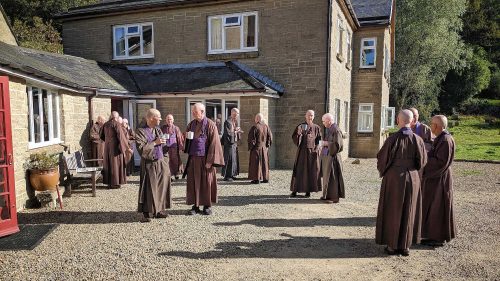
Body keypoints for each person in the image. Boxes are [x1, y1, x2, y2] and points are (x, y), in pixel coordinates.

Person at [375, 109, 427, 256]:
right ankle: (405, 246)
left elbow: (382, 159)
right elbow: (422, 161)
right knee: (409, 210)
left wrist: (387, 170)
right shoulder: (418, 139)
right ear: (411, 121)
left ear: (398, 120)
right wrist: (412, 170)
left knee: (393, 210)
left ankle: (392, 246)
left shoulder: (392, 139)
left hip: (394, 178)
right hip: (412, 178)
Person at [421, 115, 456, 246]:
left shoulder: (446, 140)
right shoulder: (441, 138)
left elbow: (441, 162)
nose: (430, 126)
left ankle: (438, 237)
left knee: (438, 207)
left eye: (432, 124)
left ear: (437, 126)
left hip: (440, 180)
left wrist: (424, 159)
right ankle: (432, 235)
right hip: (437, 178)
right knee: (434, 206)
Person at [184, 103, 224, 215]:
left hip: (206, 159)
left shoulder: (210, 125)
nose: (193, 113)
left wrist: (210, 161)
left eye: (195, 112)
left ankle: (207, 206)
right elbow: (187, 141)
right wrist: (186, 139)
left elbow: (215, 143)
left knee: (207, 182)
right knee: (194, 182)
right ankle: (195, 205)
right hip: (194, 159)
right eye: (192, 111)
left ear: (202, 112)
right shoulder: (191, 124)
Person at [135, 109, 171, 222]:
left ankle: (159, 210)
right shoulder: (140, 131)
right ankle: (148, 212)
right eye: (158, 117)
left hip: (161, 162)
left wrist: (168, 145)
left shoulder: (158, 129)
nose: (160, 119)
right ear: (151, 118)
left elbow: (163, 146)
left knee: (162, 185)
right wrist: (155, 142)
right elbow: (142, 150)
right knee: (149, 188)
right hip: (149, 164)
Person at [290, 109, 322, 198]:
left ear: (314, 116)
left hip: (312, 153)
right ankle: (295, 191)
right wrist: (300, 134)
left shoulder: (317, 127)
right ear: (305, 116)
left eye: (312, 115)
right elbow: (295, 137)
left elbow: (319, 140)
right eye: (309, 115)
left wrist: (318, 149)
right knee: (299, 170)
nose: (310, 117)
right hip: (302, 152)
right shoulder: (301, 126)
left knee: (310, 172)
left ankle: (308, 191)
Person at [100, 111, 131, 188]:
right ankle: (115, 183)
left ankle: (109, 183)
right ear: (116, 117)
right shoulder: (117, 124)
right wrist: (125, 148)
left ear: (111, 116)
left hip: (107, 147)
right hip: (116, 148)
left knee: (108, 164)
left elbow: (101, 135)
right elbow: (121, 137)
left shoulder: (105, 124)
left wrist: (107, 141)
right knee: (115, 165)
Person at [319, 113, 345, 203]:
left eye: (324, 121)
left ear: (329, 121)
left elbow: (338, 145)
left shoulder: (336, 130)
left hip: (333, 158)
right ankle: (327, 195)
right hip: (328, 157)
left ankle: (333, 197)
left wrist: (326, 144)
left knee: (333, 178)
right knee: (328, 177)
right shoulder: (330, 129)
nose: (323, 123)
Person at [247, 113, 273, 184]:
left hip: (256, 148)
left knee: (256, 163)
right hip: (264, 148)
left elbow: (251, 139)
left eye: (256, 118)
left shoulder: (255, 127)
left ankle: (256, 179)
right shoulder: (266, 127)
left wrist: (251, 147)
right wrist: (267, 145)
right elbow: (270, 137)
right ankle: (265, 178)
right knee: (264, 163)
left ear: (257, 119)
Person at [161, 114, 184, 181]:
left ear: (173, 120)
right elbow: (159, 136)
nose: (169, 120)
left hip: (174, 148)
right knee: (168, 162)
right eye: (168, 119)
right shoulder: (163, 128)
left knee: (175, 161)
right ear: (166, 120)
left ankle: (176, 174)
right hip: (166, 148)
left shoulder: (176, 128)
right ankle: (169, 175)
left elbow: (179, 138)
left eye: (170, 119)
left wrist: (180, 148)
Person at [221, 108, 242, 181]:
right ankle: (227, 176)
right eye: (237, 114)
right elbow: (227, 133)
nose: (238, 115)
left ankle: (232, 174)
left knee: (234, 159)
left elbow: (234, 131)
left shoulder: (234, 121)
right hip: (229, 144)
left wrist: (237, 131)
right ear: (233, 113)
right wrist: (235, 131)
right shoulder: (227, 122)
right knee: (228, 159)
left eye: (238, 114)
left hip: (234, 144)